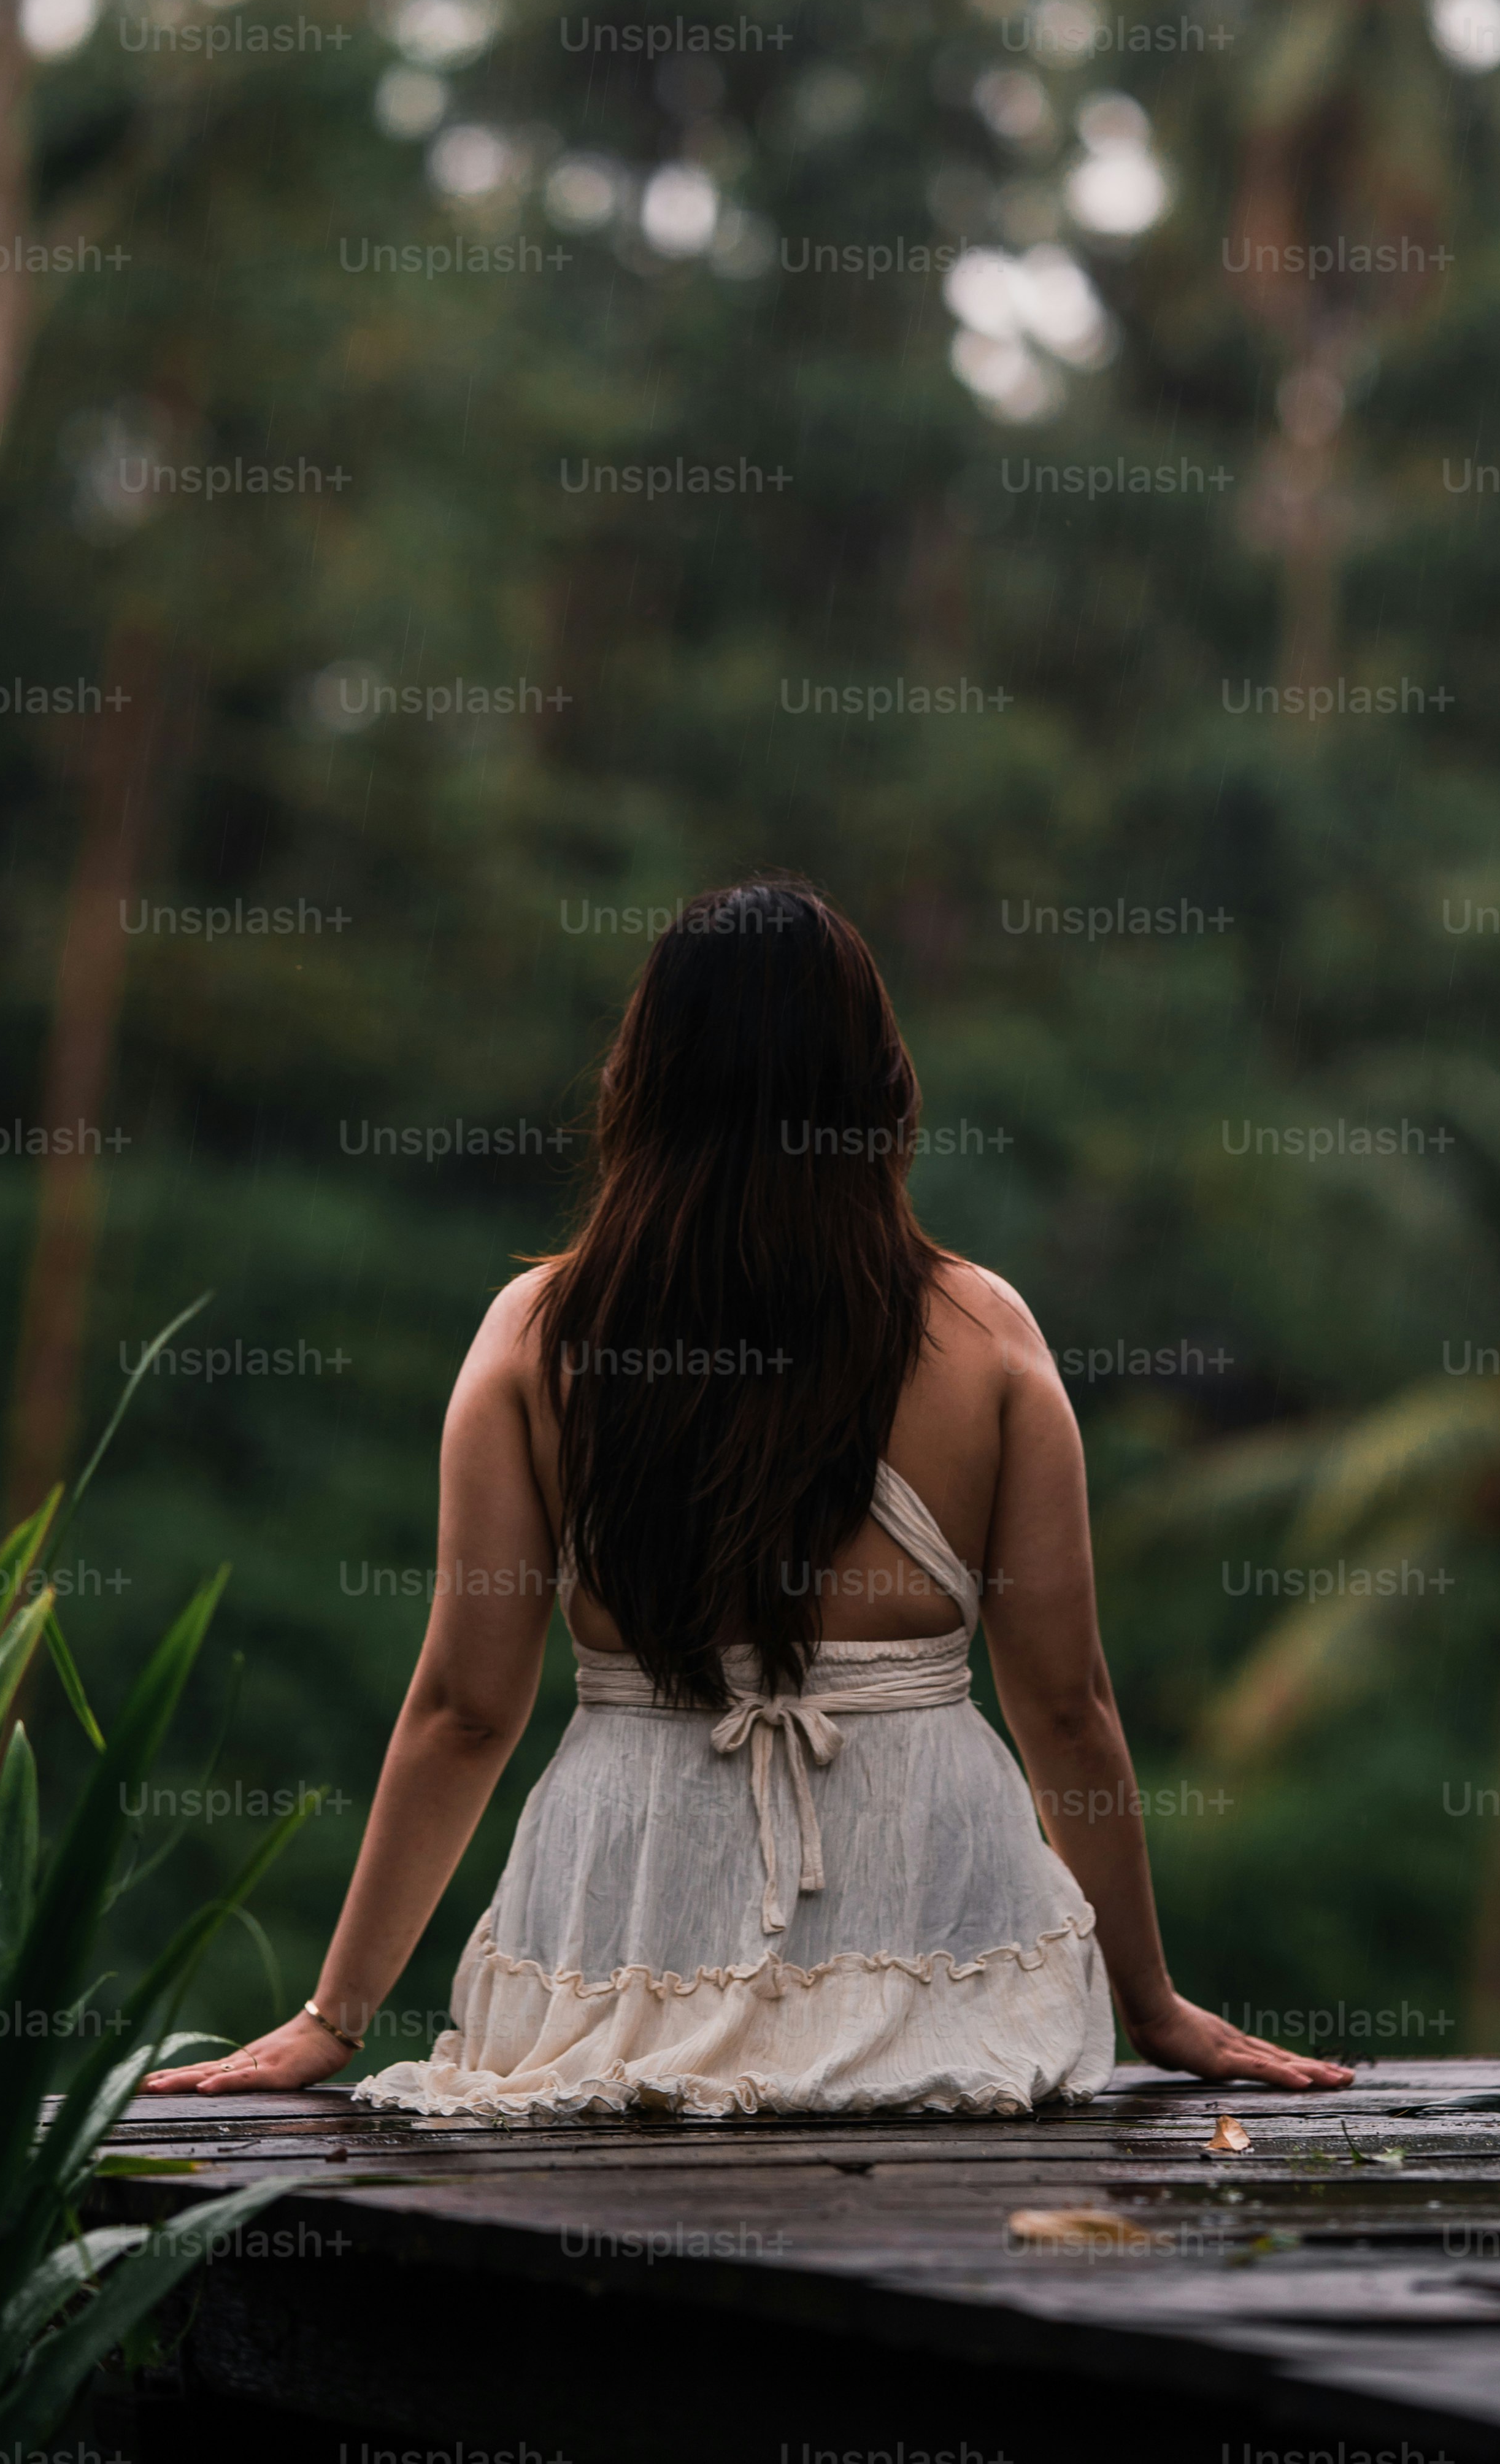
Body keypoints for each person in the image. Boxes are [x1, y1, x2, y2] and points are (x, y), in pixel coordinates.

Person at [145, 877, 1353, 2117]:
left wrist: (330, 2017)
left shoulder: (538, 1337)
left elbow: (463, 1711)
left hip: (626, 1944)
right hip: (936, 1953)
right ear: (880, 1084)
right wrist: (1151, 2005)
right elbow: (1066, 1704)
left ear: (641, 1080)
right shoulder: (988, 1336)